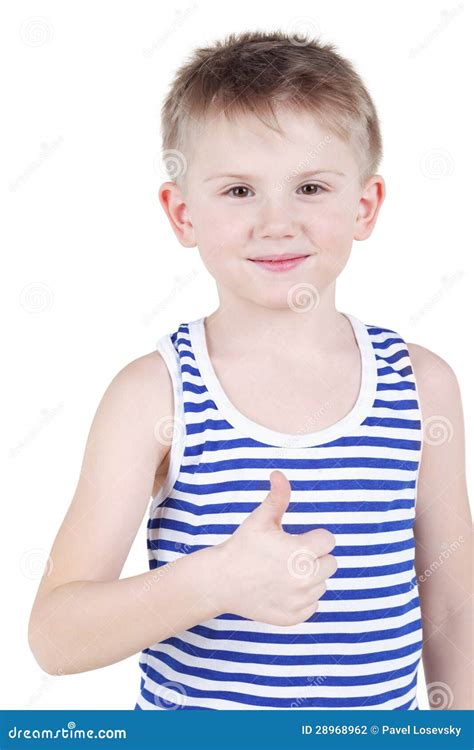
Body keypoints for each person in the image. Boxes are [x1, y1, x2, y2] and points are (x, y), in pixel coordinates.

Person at [28, 30, 472, 711]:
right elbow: (55, 639)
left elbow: (452, 604)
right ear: (183, 215)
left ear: (365, 206)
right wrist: (214, 582)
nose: (276, 222)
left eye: (311, 187)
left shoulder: (424, 386)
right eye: (238, 190)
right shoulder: (154, 395)